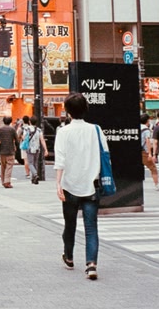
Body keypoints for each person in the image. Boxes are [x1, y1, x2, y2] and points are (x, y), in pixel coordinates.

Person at [54, 93, 107, 281]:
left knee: (70, 224)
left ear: (67, 111)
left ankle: (68, 257)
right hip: (91, 184)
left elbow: (59, 160)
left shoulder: (63, 132)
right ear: (86, 109)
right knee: (91, 227)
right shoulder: (96, 130)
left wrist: (58, 184)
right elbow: (105, 155)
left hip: (69, 185)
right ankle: (91, 264)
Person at [23, 116, 49, 185]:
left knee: (30, 163)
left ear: (29, 121)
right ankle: (34, 179)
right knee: (35, 163)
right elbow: (42, 140)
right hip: (37, 148)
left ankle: (35, 174)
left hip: (29, 148)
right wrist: (45, 149)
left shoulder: (26, 129)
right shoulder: (39, 130)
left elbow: (24, 137)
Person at [139, 113, 159, 190]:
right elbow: (147, 141)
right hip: (144, 151)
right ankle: (157, 185)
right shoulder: (146, 129)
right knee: (153, 168)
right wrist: (150, 153)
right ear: (147, 120)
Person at [0, 116, 18, 188]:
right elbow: (16, 139)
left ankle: (3, 181)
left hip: (2, 150)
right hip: (10, 150)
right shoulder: (12, 129)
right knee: (9, 166)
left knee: (3, 166)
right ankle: (7, 181)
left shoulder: (0, 129)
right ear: (10, 121)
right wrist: (17, 147)